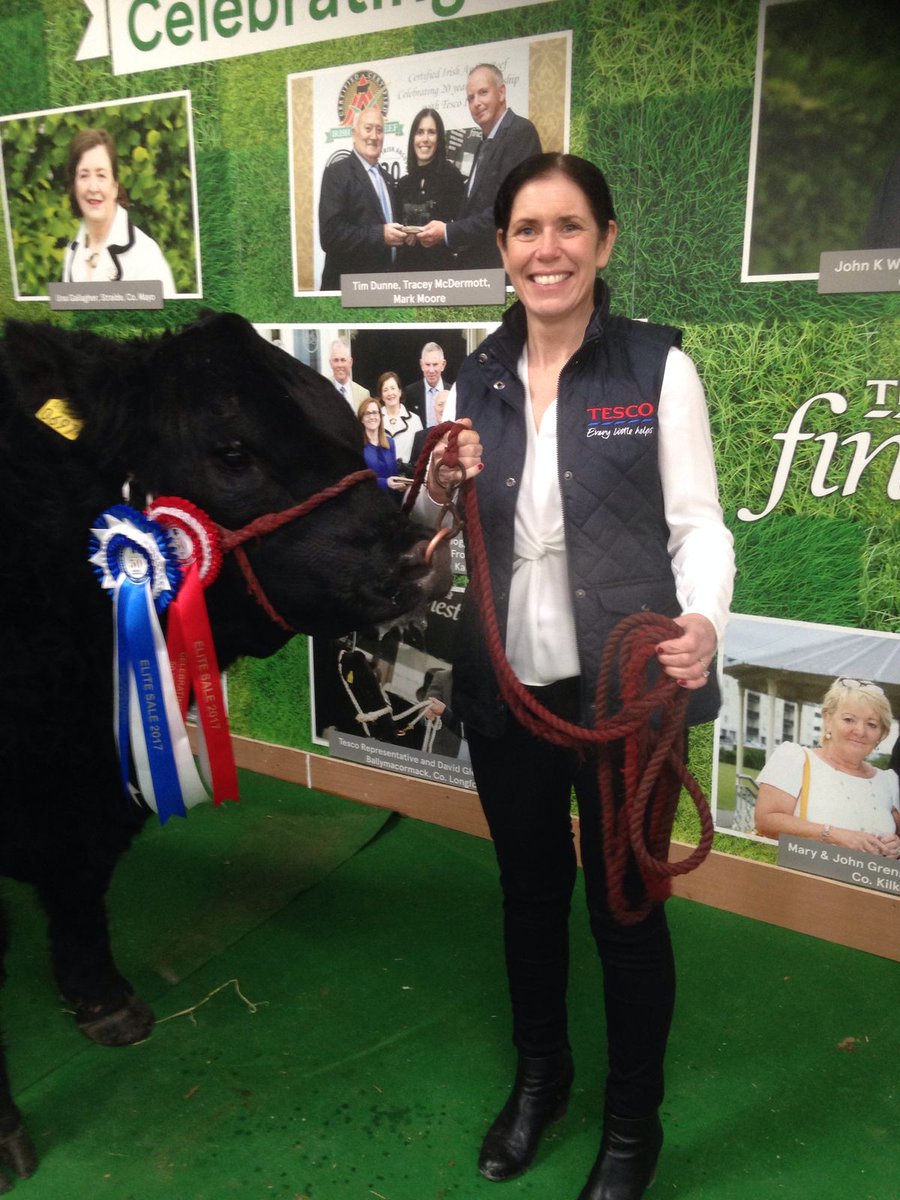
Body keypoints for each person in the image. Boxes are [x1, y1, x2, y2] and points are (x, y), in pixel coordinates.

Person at [419, 152, 735, 1199]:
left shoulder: (656, 368)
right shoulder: (474, 375)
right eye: (524, 230)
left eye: (566, 228)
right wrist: (437, 487)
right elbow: (444, 539)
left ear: (604, 241)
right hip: (508, 685)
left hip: (626, 690)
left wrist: (703, 621)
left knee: (627, 910)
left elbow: (699, 527)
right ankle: (540, 1078)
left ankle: (633, 1124)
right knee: (527, 897)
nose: (544, 250)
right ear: (502, 248)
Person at [755, 678, 900, 856]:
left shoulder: (889, 781)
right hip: (800, 880)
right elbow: (765, 821)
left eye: (872, 724)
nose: (860, 731)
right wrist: (834, 835)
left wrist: (895, 846)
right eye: (849, 720)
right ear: (828, 719)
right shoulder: (795, 759)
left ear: (882, 734)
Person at [417, 64, 541, 270]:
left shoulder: (520, 132)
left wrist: (449, 232)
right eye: (470, 98)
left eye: (483, 93)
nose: (476, 103)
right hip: (479, 270)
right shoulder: (484, 143)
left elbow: (511, 210)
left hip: (504, 271)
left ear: (501, 92)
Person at [61, 128, 176, 297]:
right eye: (84, 176)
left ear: (115, 186)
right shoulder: (72, 253)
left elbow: (164, 321)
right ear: (74, 186)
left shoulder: (146, 255)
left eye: (101, 175)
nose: (93, 187)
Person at [318, 106, 406, 290]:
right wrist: (380, 235)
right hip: (349, 292)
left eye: (379, 130)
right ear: (354, 133)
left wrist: (405, 236)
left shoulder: (388, 179)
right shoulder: (337, 173)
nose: (374, 136)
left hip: (384, 288)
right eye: (368, 128)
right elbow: (331, 236)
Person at [396, 108, 466, 272]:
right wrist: (404, 236)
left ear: (439, 138)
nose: (425, 139)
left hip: (442, 273)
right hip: (406, 273)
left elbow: (464, 227)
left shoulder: (452, 177)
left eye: (431, 132)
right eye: (420, 132)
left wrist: (444, 234)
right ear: (413, 138)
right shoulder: (403, 184)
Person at [358, 397, 407, 493]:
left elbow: (394, 474)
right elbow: (360, 479)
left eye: (375, 412)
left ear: (380, 416)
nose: (372, 417)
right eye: (367, 413)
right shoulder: (358, 445)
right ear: (362, 419)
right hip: (369, 499)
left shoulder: (390, 443)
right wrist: (385, 483)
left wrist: (400, 483)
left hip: (390, 500)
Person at [377, 371, 423, 470]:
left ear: (400, 391)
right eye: (385, 390)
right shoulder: (375, 420)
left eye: (393, 388)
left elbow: (421, 453)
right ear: (381, 395)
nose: (390, 393)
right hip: (382, 477)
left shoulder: (415, 420)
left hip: (407, 477)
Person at [404, 341, 450, 426]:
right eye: (427, 365)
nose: (431, 370)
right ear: (421, 365)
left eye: (435, 364)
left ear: (443, 365)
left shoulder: (452, 392)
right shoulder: (411, 393)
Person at [329, 339, 370, 411]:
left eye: (343, 360)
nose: (339, 365)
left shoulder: (363, 394)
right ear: (330, 363)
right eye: (336, 360)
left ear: (350, 362)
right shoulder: (320, 391)